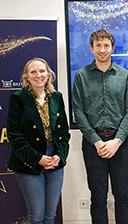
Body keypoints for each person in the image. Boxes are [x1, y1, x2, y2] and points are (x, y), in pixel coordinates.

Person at [73, 29, 128, 223]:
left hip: (120, 144)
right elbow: (79, 112)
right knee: (98, 199)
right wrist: (97, 142)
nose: (102, 49)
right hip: (93, 146)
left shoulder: (124, 75)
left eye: (106, 45)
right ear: (92, 49)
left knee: (123, 196)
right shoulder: (81, 76)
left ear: (112, 48)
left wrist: (116, 141)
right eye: (98, 45)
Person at [7, 58, 70, 224]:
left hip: (54, 160)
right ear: (27, 77)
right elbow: (14, 135)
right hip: (29, 161)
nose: (38, 75)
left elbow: (64, 132)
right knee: (37, 215)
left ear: (48, 74)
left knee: (50, 215)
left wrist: (60, 156)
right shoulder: (18, 98)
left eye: (42, 71)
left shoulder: (56, 97)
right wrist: (38, 159)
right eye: (33, 72)